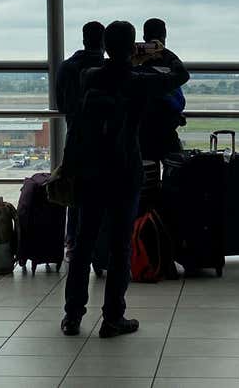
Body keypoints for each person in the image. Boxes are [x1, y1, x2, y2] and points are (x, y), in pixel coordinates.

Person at [63, 20, 189, 338]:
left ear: (105, 45)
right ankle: (112, 317)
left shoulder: (88, 76)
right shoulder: (139, 80)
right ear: (134, 46)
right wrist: (159, 50)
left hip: (91, 171)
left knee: (83, 244)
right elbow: (181, 75)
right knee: (120, 247)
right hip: (123, 171)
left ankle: (73, 316)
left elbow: (78, 120)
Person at [56, 21, 105, 251]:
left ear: (84, 40)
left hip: (76, 137)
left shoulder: (67, 67)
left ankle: (73, 242)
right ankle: (101, 246)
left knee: (76, 194)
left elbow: (61, 104)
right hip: (106, 141)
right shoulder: (109, 69)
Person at [136, 17, 187, 162]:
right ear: (164, 36)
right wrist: (164, 51)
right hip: (165, 127)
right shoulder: (169, 59)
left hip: (142, 127)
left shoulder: (135, 58)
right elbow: (184, 74)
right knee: (176, 165)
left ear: (144, 37)